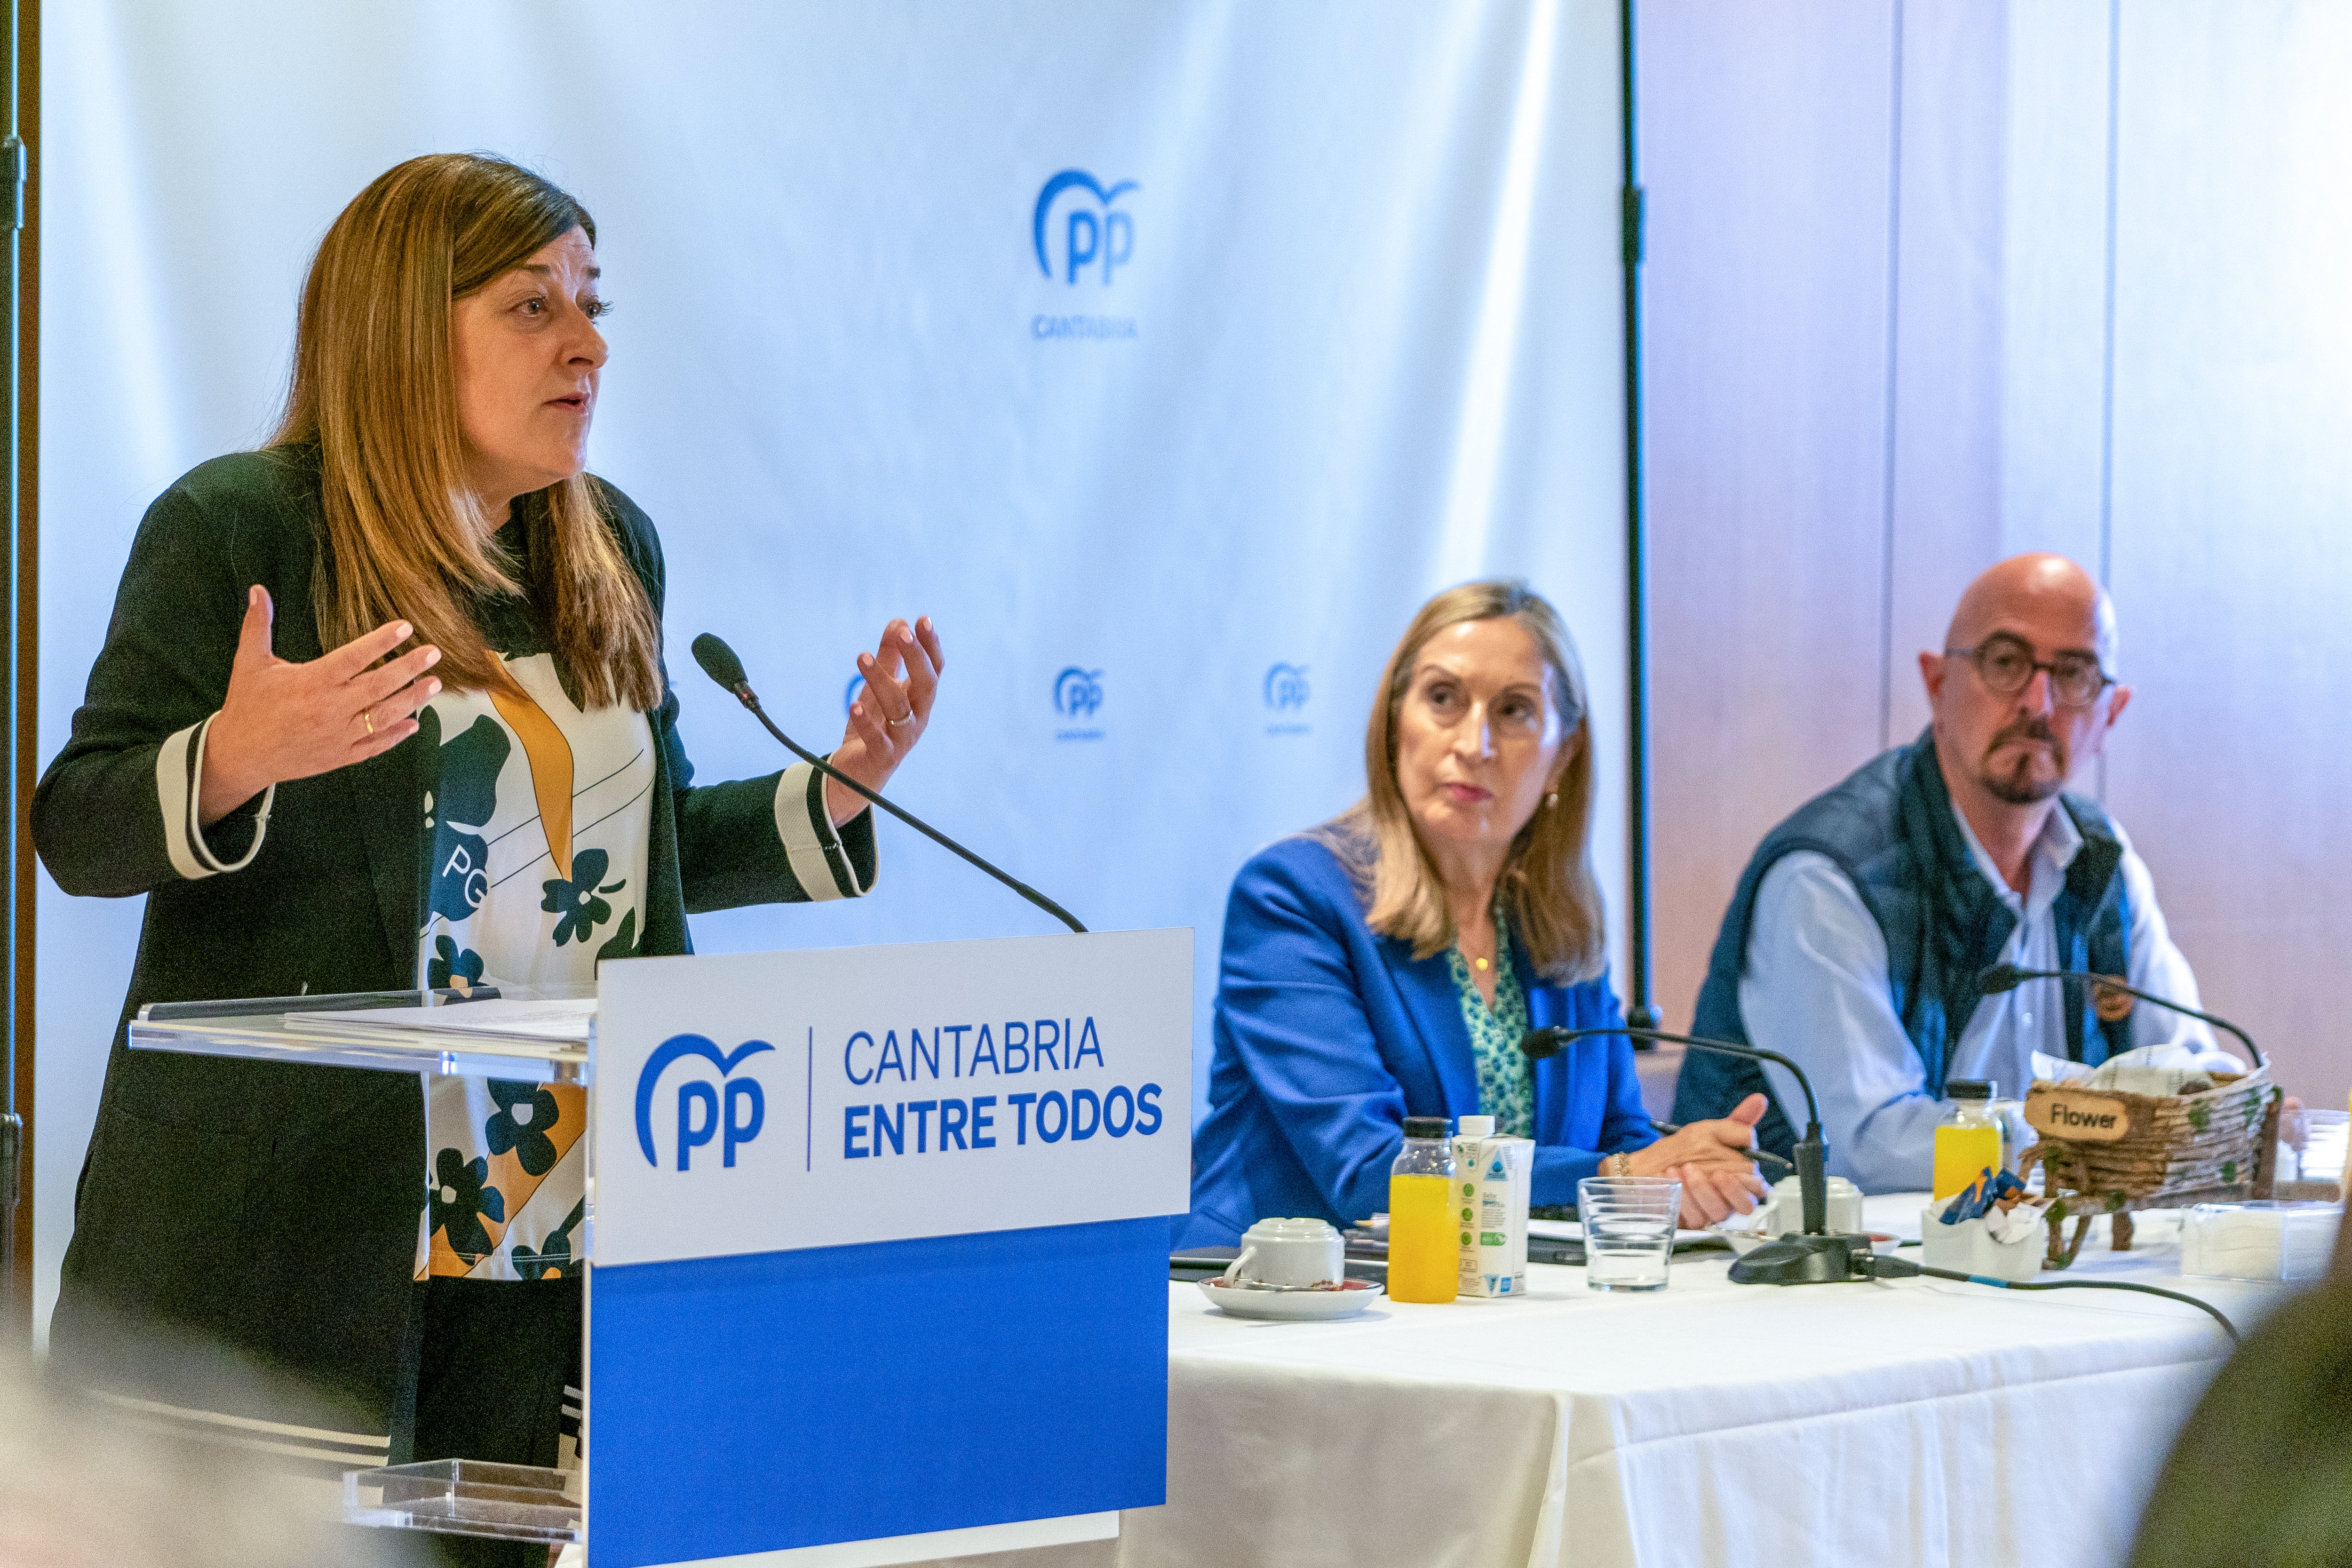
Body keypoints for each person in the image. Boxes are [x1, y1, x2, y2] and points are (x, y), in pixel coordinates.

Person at [32, 153, 943, 1557]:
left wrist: (841, 787)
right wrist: (234, 756)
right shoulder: (245, 528)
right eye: (532, 306)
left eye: (592, 303)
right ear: (405, 328)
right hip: (295, 1237)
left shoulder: (605, 545)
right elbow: (78, 822)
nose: (586, 343)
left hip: (543, 1221)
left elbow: (634, 858)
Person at [1182, 581, 1766, 1244]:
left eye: (1515, 711)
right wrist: (1619, 1173)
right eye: (1442, 699)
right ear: (1394, 718)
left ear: (1562, 756)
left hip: (1489, 1311)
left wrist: (1688, 1177)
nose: (1474, 742)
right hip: (1280, 1304)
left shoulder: (1558, 919)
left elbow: (1620, 1136)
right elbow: (1370, 1172)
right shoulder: (1293, 897)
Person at [1672, 553, 2217, 1190]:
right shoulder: (1831, 876)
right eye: (2006, 663)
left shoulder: (2102, 863)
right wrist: (2081, 1134)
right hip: (1810, 1272)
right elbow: (1869, 1150)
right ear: (1937, 682)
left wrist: (2237, 1111)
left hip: (2031, 1266)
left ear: (2111, 713)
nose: (2038, 703)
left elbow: (2188, 1072)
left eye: (2074, 674)